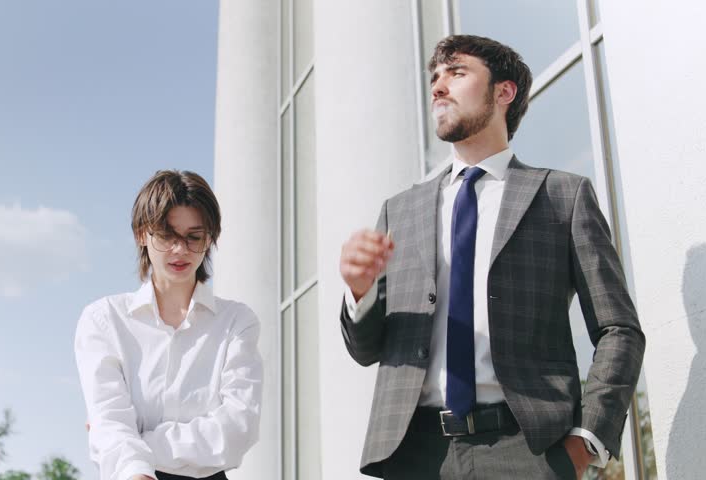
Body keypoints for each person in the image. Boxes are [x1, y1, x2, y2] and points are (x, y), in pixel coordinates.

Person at [338, 35, 645, 479]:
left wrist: (587, 440)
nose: (439, 87)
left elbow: (618, 329)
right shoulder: (399, 210)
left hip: (527, 450)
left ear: (504, 92)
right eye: (435, 78)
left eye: (457, 73)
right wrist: (359, 291)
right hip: (413, 454)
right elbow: (368, 351)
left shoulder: (562, 195)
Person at [75, 170, 262, 480]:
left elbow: (238, 429)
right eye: (166, 235)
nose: (180, 249)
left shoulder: (236, 322)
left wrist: (134, 444)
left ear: (210, 239)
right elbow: (109, 417)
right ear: (141, 234)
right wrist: (129, 456)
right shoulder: (104, 320)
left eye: (194, 237)